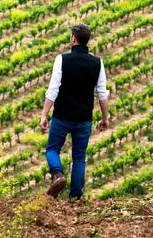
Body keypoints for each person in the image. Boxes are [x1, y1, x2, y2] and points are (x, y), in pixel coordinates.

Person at [39, 23, 110, 200]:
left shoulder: (62, 60)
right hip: (84, 118)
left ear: (74, 39)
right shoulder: (97, 63)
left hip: (62, 115)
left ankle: (58, 174)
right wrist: (105, 118)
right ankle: (76, 197)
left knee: (52, 149)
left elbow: (53, 89)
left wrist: (44, 114)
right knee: (79, 157)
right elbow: (102, 93)